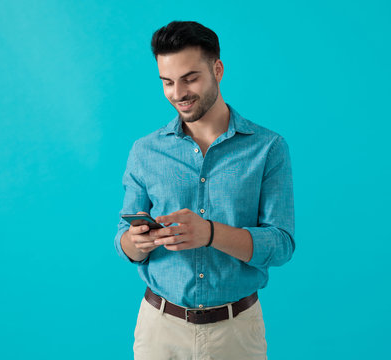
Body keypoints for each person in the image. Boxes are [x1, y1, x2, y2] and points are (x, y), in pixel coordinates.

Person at [114, 20, 295, 359]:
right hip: (159, 331)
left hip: (237, 332)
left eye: (190, 78)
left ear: (218, 69)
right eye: (167, 82)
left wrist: (210, 233)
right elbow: (124, 241)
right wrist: (137, 242)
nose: (178, 93)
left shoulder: (268, 148)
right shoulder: (145, 150)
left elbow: (281, 245)